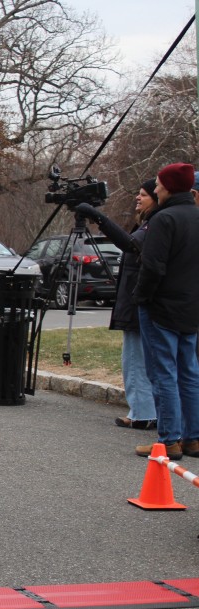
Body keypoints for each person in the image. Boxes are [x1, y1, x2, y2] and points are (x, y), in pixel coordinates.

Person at [76, 180, 158, 431]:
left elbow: (129, 244)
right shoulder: (154, 222)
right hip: (147, 304)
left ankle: (142, 413)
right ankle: (150, 410)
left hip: (140, 303)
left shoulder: (155, 223)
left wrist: (98, 218)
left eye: (143, 195)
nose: (137, 198)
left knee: (135, 359)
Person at [131, 163, 199, 460]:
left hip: (161, 308)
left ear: (169, 187)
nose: (155, 189)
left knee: (163, 373)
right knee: (189, 372)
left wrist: (141, 296)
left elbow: (153, 266)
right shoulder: (196, 215)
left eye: (158, 184)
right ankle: (193, 438)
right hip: (191, 307)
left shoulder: (164, 218)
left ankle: (169, 440)